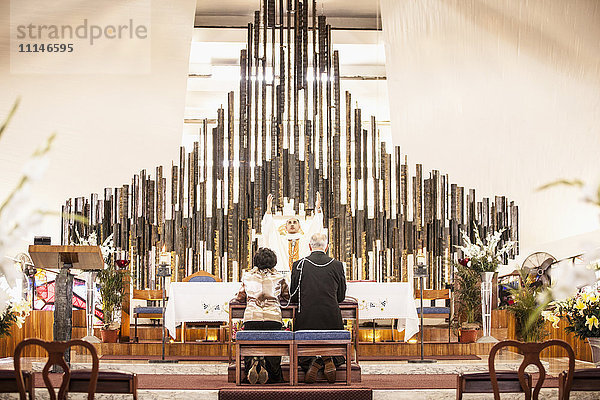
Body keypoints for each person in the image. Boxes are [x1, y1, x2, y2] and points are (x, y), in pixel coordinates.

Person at [290, 232, 347, 384]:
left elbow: (294, 295)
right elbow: (341, 296)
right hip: (331, 316)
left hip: (307, 317)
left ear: (309, 246)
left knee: (303, 346)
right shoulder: (337, 265)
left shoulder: (299, 264)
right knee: (335, 340)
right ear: (326, 247)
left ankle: (312, 361)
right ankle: (329, 358)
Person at [235, 248, 290, 384]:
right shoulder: (279, 277)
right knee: (274, 347)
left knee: (249, 345)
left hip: (252, 318)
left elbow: (240, 297)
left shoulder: (247, 276)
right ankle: (273, 374)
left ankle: (252, 365)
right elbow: (287, 296)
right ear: (273, 262)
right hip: (273, 319)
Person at [261, 192, 323, 273]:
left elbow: (316, 227)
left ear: (299, 226)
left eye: (295, 222)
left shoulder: (305, 239)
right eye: (289, 223)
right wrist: (269, 210)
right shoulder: (280, 240)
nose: (292, 224)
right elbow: (268, 230)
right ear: (285, 227)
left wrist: (318, 208)